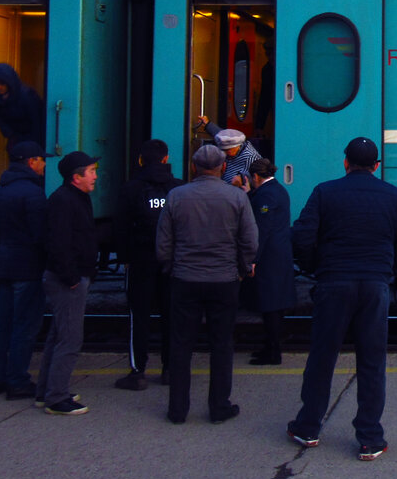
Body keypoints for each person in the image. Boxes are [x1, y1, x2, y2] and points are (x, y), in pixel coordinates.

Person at [286, 136, 397, 461]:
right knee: (372, 361)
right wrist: (387, 267)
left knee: (322, 356)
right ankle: (370, 438)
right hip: (375, 286)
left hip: (334, 283)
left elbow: (302, 236)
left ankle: (308, 428)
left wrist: (315, 267)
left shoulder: (325, 192)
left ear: (345, 162)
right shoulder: (394, 196)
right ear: (377, 166)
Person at [156, 144, 258, 425]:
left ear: (193, 167)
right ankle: (219, 407)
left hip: (185, 279)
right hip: (224, 281)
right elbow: (249, 241)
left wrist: (170, 268)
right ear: (223, 167)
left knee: (180, 345)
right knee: (222, 344)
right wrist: (241, 268)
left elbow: (163, 242)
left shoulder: (176, 196)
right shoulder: (236, 197)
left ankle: (178, 409)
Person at [112, 139, 182, 391]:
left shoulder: (131, 189)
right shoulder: (178, 188)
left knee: (138, 317)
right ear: (165, 159)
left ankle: (137, 371)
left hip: (141, 260)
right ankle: (170, 369)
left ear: (141, 160)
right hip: (172, 262)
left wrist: (124, 258)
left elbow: (120, 227)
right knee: (172, 315)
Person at [0, 142, 49, 400]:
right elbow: (40, 235)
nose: (44, 164)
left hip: (5, 264)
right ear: (31, 162)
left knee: (1, 325)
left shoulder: (0, 191)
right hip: (27, 267)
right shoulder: (33, 193)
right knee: (25, 326)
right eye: (41, 160)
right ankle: (18, 381)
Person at [36, 151, 99, 416]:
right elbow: (58, 243)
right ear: (76, 177)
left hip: (69, 276)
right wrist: (72, 277)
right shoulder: (64, 201)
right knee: (70, 339)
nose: (95, 176)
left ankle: (47, 391)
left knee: (58, 335)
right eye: (92, 171)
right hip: (68, 279)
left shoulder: (73, 197)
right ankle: (57, 398)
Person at [242, 158, 297, 365]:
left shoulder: (267, 195)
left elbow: (262, 228)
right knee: (273, 307)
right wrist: (249, 193)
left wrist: (253, 259)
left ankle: (273, 352)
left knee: (270, 307)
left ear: (255, 177)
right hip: (278, 255)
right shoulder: (277, 190)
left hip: (269, 258)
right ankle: (270, 348)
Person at [0, 63, 45, 151]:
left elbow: (37, 121)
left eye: (2, 84)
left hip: (34, 138)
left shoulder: (27, 96)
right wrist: (11, 135)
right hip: (16, 139)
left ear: (9, 83)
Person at [194, 116, 261, 190]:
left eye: (227, 150)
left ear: (237, 147)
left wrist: (242, 178)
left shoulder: (251, 158)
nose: (224, 154)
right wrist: (208, 124)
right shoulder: (233, 145)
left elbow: (255, 176)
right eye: (222, 150)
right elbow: (222, 136)